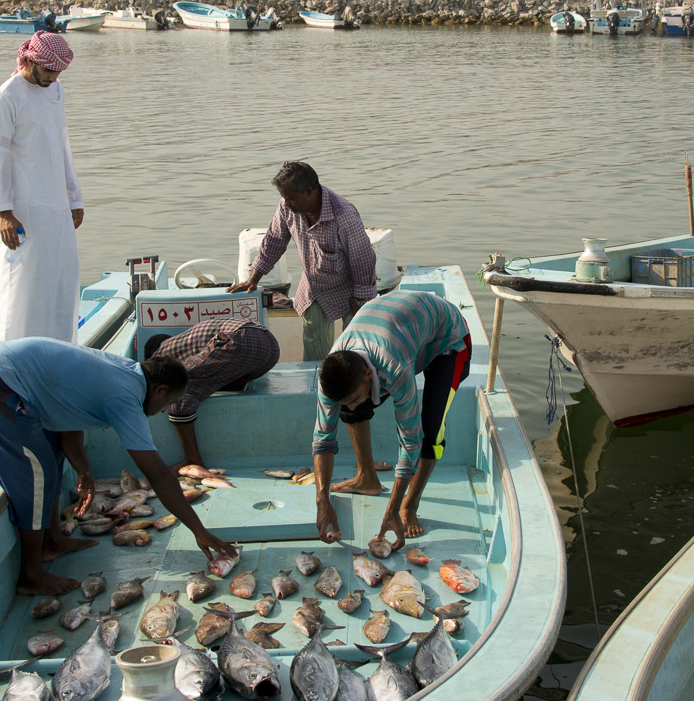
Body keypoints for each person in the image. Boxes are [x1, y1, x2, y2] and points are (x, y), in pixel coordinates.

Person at [0, 338, 237, 595]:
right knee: (36, 475)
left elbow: (68, 421)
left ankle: (53, 542)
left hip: (8, 372)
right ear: (160, 390)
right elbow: (158, 474)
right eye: (169, 403)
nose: (165, 410)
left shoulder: (128, 372)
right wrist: (198, 530)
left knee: (52, 457)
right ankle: (30, 575)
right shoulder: (126, 398)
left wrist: (84, 470)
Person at [311, 290, 471, 550]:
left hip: (448, 340)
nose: (349, 404)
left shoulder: (394, 367)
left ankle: (410, 504)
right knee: (351, 411)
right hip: (401, 331)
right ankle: (367, 478)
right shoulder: (331, 374)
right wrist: (322, 500)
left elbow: (410, 442)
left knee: (430, 429)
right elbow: (322, 440)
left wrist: (393, 507)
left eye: (353, 396)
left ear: (367, 374)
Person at [0, 30, 84, 342]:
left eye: (58, 72)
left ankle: (60, 352)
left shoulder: (55, 90)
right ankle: (19, 357)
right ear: (30, 61)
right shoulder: (7, 96)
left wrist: (74, 198)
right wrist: (4, 212)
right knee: (27, 287)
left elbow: (62, 144)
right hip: (26, 209)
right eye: (49, 70)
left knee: (61, 283)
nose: (54, 77)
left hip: (58, 205)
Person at [228, 162, 377, 360]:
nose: (286, 203)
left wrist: (361, 300)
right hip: (314, 285)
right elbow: (274, 240)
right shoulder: (286, 208)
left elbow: (363, 259)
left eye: (290, 198)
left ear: (308, 192)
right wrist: (253, 279)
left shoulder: (344, 216)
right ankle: (316, 383)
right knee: (314, 343)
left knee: (354, 346)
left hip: (351, 287)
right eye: (283, 198)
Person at [142, 320, 280, 470]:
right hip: (270, 346)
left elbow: (160, 381)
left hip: (240, 339)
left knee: (179, 394)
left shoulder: (160, 354)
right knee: (219, 384)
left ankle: (192, 459)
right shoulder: (189, 340)